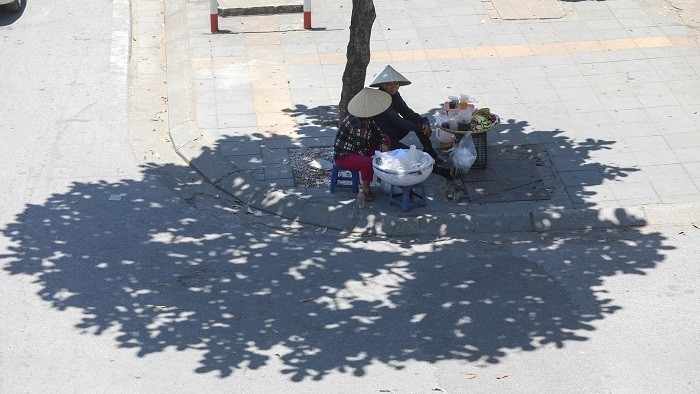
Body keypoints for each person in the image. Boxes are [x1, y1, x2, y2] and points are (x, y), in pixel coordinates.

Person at [369, 65, 445, 165]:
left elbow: (408, 113)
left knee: (416, 118)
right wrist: (420, 127)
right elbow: (397, 120)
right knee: (412, 157)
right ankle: (443, 172)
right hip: (384, 137)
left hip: (394, 130)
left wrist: (425, 121)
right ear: (383, 85)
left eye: (396, 83)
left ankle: (429, 150)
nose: (393, 87)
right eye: (389, 84)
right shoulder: (381, 99)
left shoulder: (395, 95)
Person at [333, 87, 391, 202]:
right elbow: (359, 148)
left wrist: (382, 143)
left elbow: (378, 132)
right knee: (367, 162)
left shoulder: (367, 118)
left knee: (386, 138)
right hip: (344, 156)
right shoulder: (360, 122)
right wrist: (373, 158)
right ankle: (366, 188)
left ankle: (382, 172)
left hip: (357, 148)